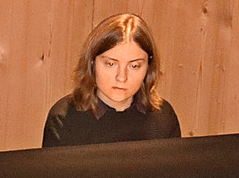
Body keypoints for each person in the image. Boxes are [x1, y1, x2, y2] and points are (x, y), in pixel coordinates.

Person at [42, 13, 182, 147]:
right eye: (111, 64)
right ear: (92, 63)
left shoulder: (163, 117)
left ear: (148, 68)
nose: (121, 77)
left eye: (134, 66)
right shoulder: (64, 119)